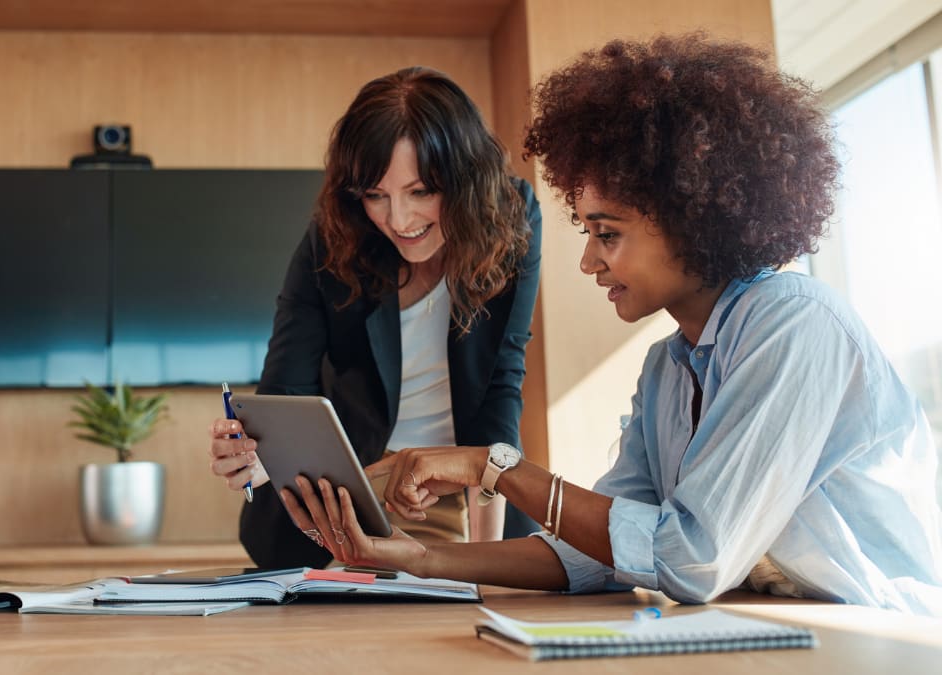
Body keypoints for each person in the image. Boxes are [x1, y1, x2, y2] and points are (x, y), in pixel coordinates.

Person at [282, 34, 942, 616]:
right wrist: (418, 559)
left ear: (693, 217)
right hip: (773, 623)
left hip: (881, 629)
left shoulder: (796, 325)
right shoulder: (667, 370)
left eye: (608, 233)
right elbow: (597, 554)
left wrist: (495, 464)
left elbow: (691, 557)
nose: (588, 258)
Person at [207, 66, 543, 568]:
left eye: (421, 191)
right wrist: (254, 456)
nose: (399, 220)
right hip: (345, 501)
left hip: (468, 495)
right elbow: (286, 391)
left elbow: (501, 383)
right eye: (375, 195)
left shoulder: (511, 218)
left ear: (466, 180)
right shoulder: (333, 237)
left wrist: (487, 559)